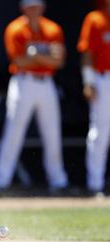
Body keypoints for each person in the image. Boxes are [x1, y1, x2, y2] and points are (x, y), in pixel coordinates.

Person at [0, 0, 68, 193]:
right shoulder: (15, 28)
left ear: (43, 7)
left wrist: (34, 55)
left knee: (52, 133)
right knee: (14, 132)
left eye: (37, 6)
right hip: (23, 81)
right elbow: (18, 60)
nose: (34, 10)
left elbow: (58, 61)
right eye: (30, 6)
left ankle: (58, 182)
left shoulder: (52, 28)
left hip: (46, 83)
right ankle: (1, 182)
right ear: (23, 8)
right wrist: (45, 57)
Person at [77, 0, 110, 196]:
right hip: (103, 78)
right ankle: (95, 184)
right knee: (101, 131)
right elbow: (87, 52)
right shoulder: (95, 18)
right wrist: (88, 82)